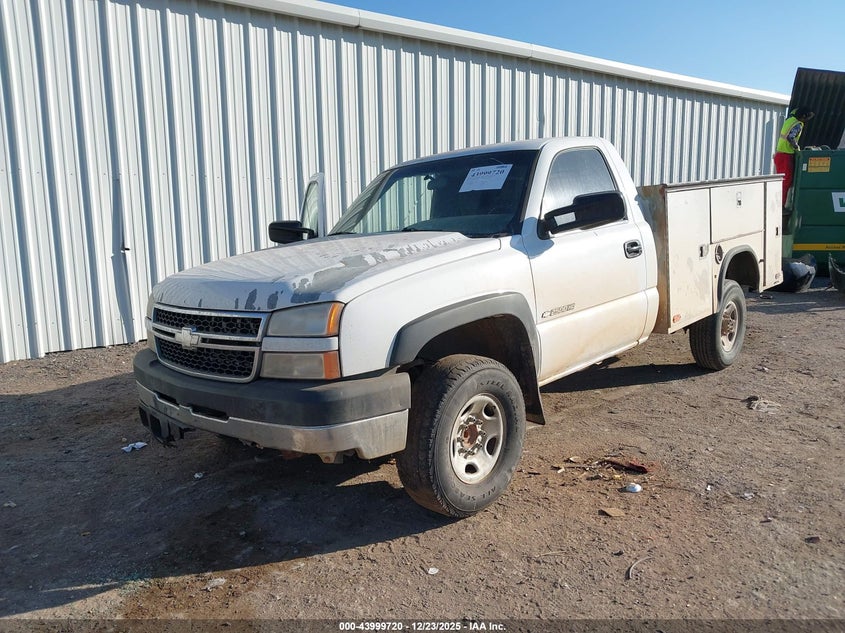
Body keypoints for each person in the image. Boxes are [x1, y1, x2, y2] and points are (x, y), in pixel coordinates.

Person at [774, 106, 814, 207]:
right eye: (807, 118)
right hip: (786, 155)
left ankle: (777, 205)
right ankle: (780, 207)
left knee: (780, 181)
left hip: (779, 154)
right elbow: (790, 137)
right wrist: (797, 147)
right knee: (785, 182)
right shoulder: (798, 124)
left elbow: (794, 111)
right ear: (803, 116)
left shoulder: (790, 120)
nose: (807, 120)